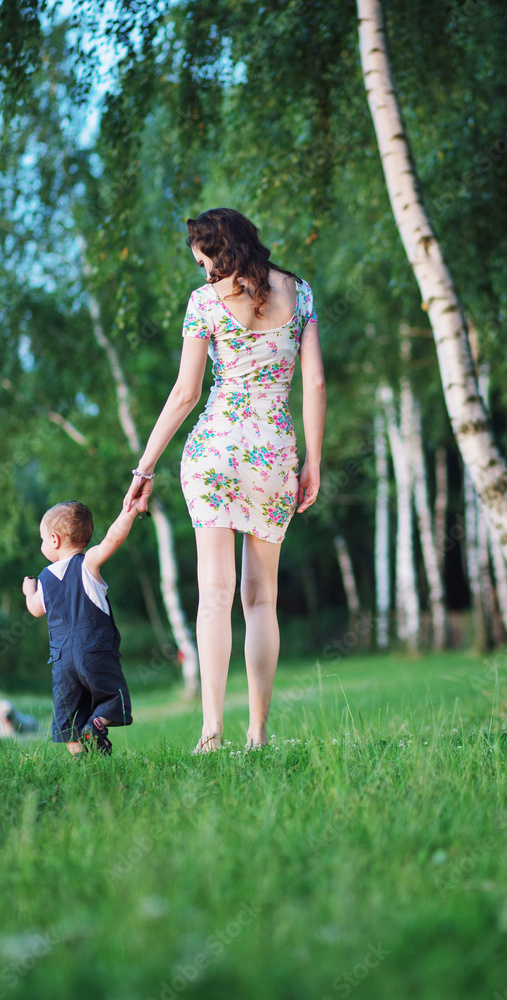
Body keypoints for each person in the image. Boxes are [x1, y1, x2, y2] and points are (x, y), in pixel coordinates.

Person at [123, 207, 326, 753]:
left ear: (221, 251)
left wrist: (144, 468)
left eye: (204, 260)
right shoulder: (300, 293)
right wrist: (315, 461)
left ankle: (211, 733)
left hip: (214, 453)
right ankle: (258, 734)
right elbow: (315, 383)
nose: (203, 271)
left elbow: (186, 394)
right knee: (261, 600)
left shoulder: (205, 304)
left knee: (214, 595)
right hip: (274, 457)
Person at [22, 500, 140, 756]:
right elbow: (112, 540)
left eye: (42, 539)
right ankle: (96, 725)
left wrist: (28, 589)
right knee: (111, 697)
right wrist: (129, 511)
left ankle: (82, 761)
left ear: (53, 540)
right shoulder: (88, 566)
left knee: (67, 715)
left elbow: (34, 608)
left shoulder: (44, 579)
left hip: (62, 659)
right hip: (94, 651)